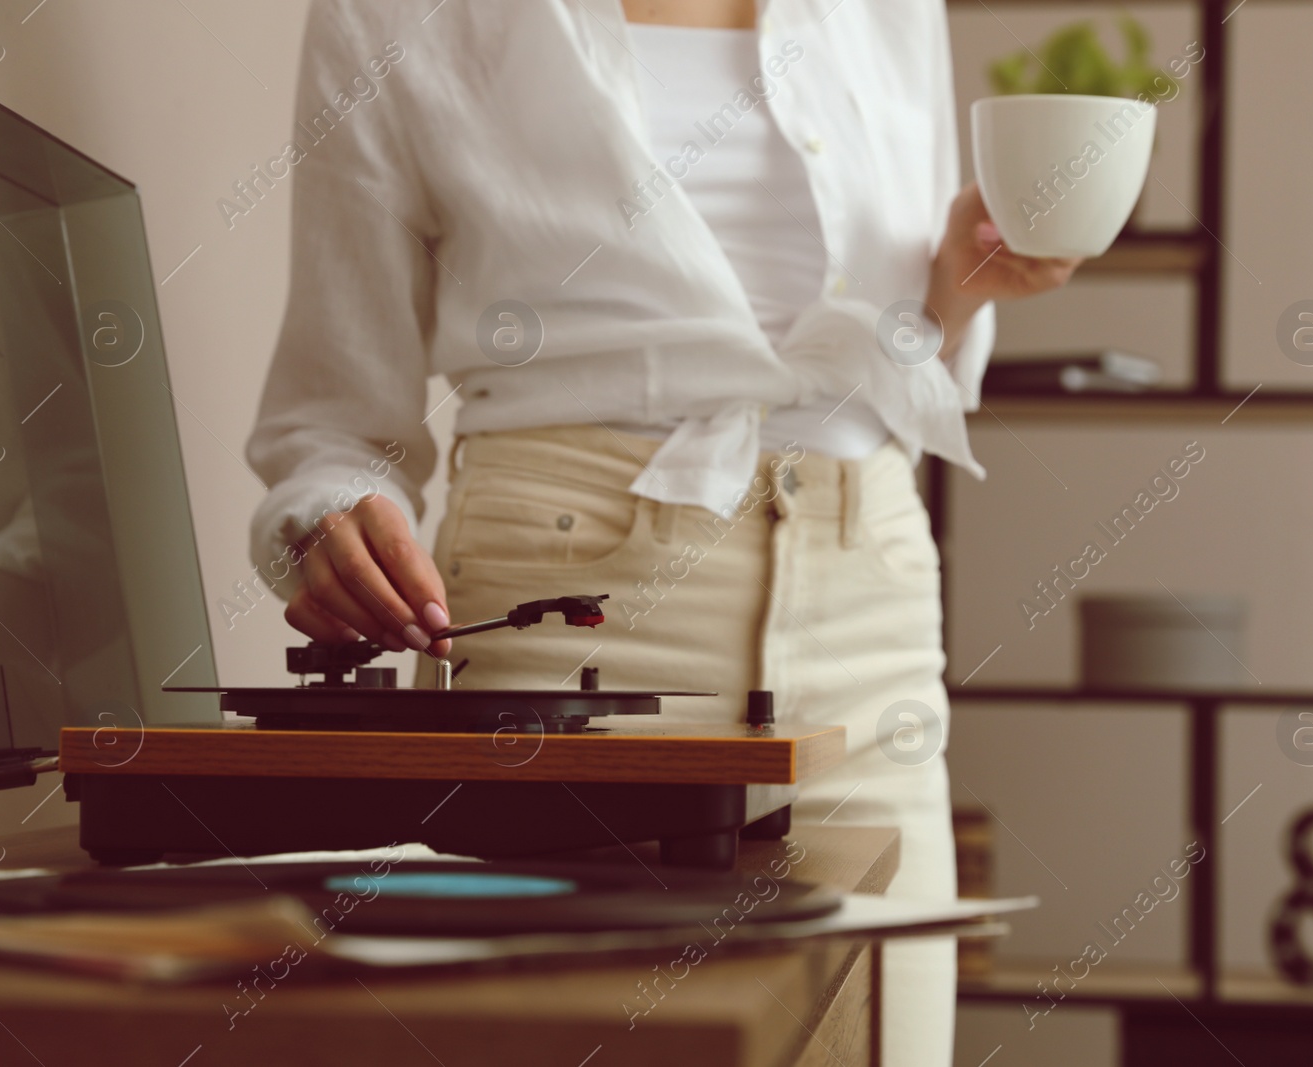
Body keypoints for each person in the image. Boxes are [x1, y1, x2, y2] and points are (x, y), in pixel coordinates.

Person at [246, 1, 1080, 1062]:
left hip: (871, 618)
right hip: (574, 629)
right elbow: (332, 419)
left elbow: (908, 355)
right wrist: (328, 521)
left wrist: (958, 289)